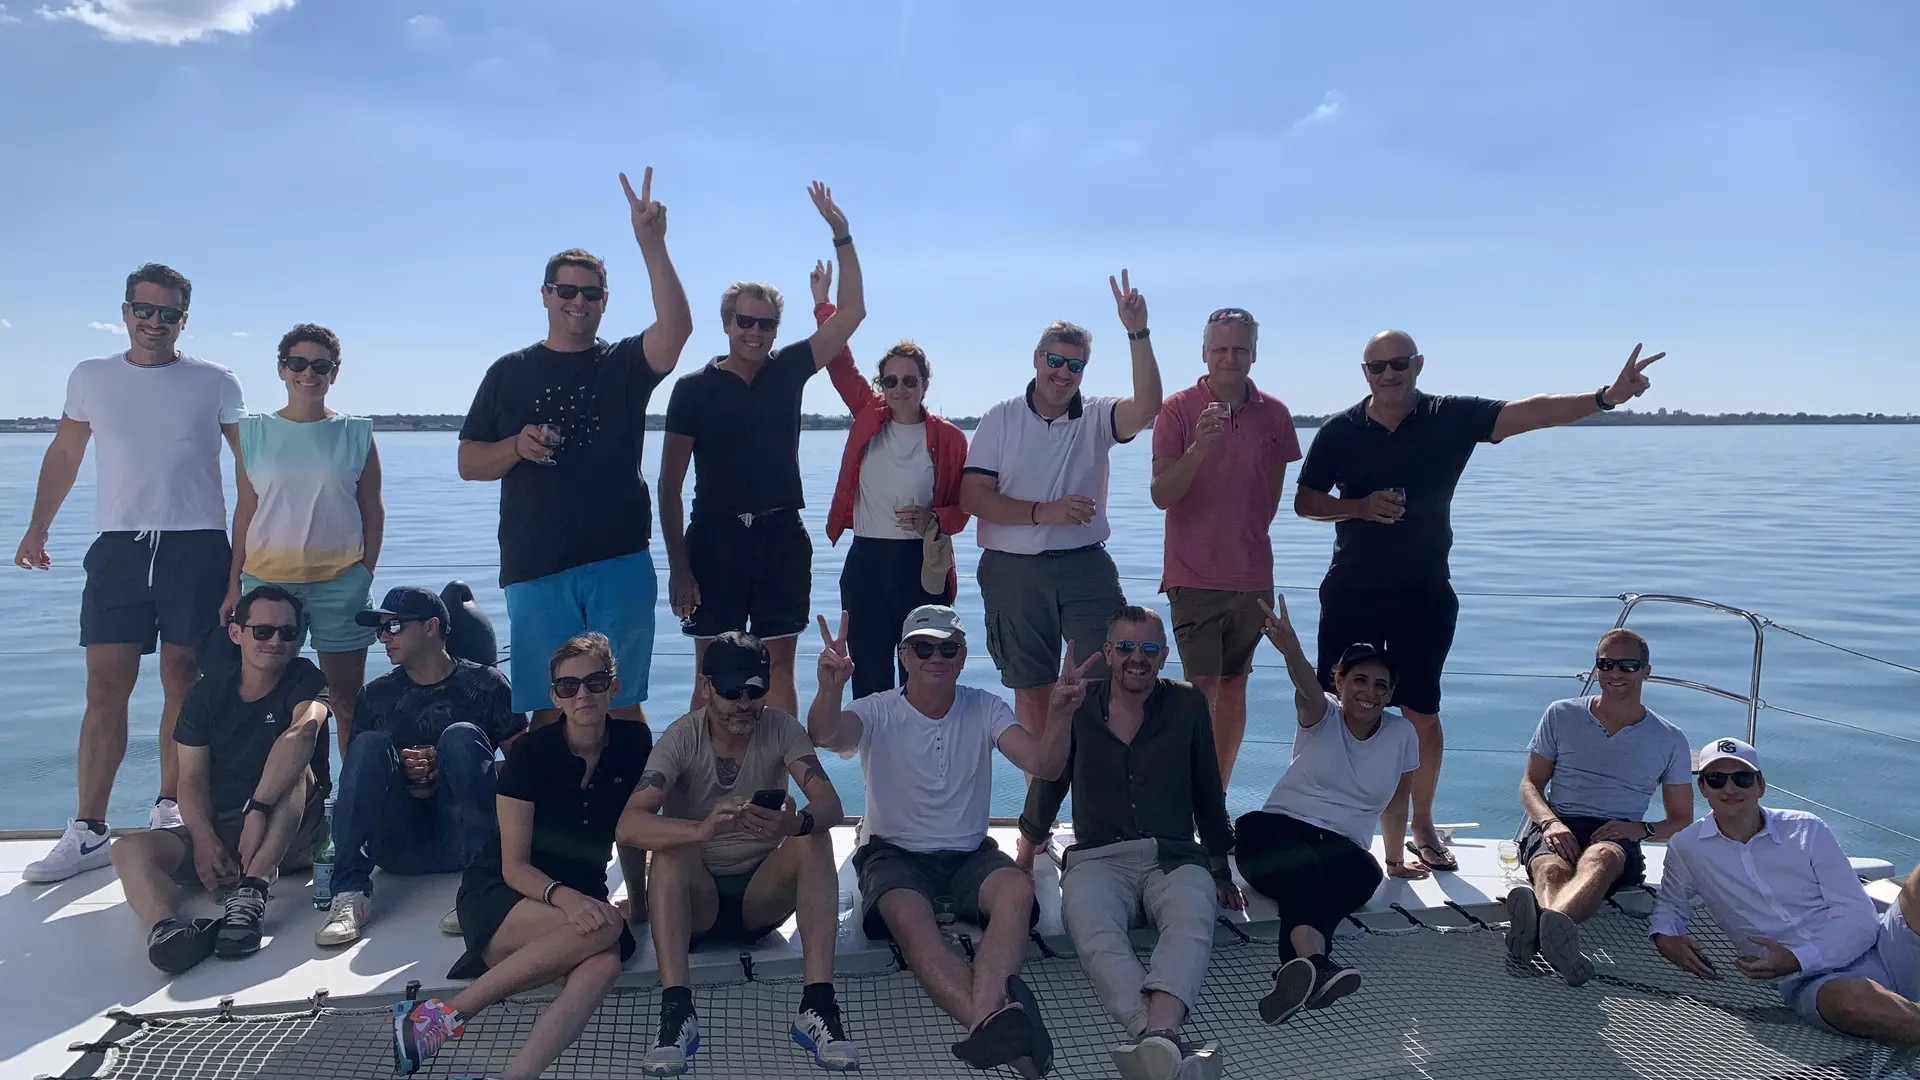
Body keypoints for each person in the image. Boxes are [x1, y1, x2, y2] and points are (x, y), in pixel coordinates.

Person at [1294, 332, 1666, 873]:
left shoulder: (1450, 416)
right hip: (1352, 589)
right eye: (1377, 366)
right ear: (1364, 371)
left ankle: (1421, 824)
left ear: (1418, 365)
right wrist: (1358, 506)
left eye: (1399, 364)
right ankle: (1321, 816)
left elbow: (1529, 413)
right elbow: (1306, 502)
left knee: (1421, 712)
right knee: (1333, 708)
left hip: (1424, 592)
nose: (1388, 374)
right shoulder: (1340, 430)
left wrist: (1605, 397)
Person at [17, 263, 245, 883]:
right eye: (143, 310)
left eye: (167, 313)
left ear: (183, 320)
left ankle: (170, 808)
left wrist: (242, 568)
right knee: (105, 686)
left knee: (182, 676)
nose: (154, 322)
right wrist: (38, 528)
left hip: (196, 545)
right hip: (119, 547)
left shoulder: (216, 382)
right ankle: (88, 829)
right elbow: (65, 452)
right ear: (125, 311)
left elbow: (251, 475)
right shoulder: (91, 377)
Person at [458, 168, 691, 728]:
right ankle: (551, 816)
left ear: (605, 301)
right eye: (567, 290)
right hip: (536, 563)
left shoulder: (625, 365)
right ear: (546, 295)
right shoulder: (508, 372)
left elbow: (677, 328)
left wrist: (651, 245)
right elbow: (469, 463)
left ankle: (630, 816)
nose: (578, 302)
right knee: (547, 707)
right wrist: (515, 445)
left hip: (619, 558)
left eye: (590, 293)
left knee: (622, 701)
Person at [808, 605, 1081, 1077]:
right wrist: (830, 687)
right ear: (904, 657)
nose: (936, 656)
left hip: (970, 854)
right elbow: (825, 733)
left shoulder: (985, 706)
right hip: (892, 853)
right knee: (910, 918)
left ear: (961, 657)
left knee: (1017, 890)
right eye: (923, 647)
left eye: (947, 648)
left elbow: (1045, 764)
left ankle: (990, 1029)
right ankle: (1006, 1036)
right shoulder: (874, 709)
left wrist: (1058, 715)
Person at [959, 271, 1164, 870]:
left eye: (1075, 364)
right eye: (1055, 360)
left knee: (1109, 685)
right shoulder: (999, 418)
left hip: (1084, 569)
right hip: (1012, 571)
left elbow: (1147, 407)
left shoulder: (1097, 415)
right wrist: (1042, 512)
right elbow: (974, 497)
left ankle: (1103, 822)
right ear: (1037, 358)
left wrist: (1139, 332)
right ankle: (1034, 828)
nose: (1063, 373)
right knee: (1033, 693)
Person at [393, 634, 655, 1080]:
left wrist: (642, 905)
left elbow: (630, 833)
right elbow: (513, 865)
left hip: (579, 901)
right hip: (504, 894)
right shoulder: (533, 753)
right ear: (555, 696)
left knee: (605, 962)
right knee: (607, 928)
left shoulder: (635, 742)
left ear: (614, 686)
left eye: (594, 682)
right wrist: (567, 899)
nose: (583, 695)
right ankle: (440, 1017)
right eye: (568, 687)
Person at [661, 182, 866, 718]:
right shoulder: (693, 389)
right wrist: (680, 567)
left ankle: (777, 790)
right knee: (713, 676)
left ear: (777, 328)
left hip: (780, 536)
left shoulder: (789, 370)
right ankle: (700, 790)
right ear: (727, 323)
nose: (755, 332)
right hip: (713, 539)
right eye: (745, 322)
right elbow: (668, 485)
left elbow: (852, 313)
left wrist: (842, 236)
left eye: (766, 323)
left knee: (778, 671)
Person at [1019, 606, 1243, 1080]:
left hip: (1173, 856)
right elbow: (1050, 780)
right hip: (1098, 859)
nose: (1135, 659)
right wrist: (1028, 847)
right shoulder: (1080, 705)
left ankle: (1154, 1044)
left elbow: (1208, 786)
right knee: (1091, 929)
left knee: (1192, 920)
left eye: (1147, 649)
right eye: (1124, 648)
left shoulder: (1187, 705)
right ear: (1107, 654)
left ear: (1163, 657)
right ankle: (1162, 1041)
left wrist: (1220, 865)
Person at [618, 631, 857, 1075]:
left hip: (760, 899)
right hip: (697, 903)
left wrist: (795, 823)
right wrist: (700, 828)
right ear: (706, 687)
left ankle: (818, 1006)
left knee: (816, 837)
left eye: (755, 690)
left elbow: (831, 806)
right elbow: (629, 825)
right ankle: (677, 1013)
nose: (744, 703)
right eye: (731, 692)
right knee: (669, 848)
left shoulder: (782, 729)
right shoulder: (680, 738)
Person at [107, 585, 330, 973]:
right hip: (224, 829)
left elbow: (303, 732)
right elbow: (189, 779)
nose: (276, 641)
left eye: (288, 632)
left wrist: (258, 810)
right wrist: (206, 841)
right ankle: (167, 932)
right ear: (236, 633)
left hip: (290, 830)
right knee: (127, 850)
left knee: (296, 767)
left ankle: (253, 890)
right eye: (263, 631)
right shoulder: (206, 693)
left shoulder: (306, 678)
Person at [1650, 738, 1920, 1048]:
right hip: (1814, 981)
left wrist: (1797, 957)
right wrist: (1664, 936)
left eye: (1742, 778)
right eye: (1716, 779)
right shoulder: (1687, 847)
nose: (1730, 788)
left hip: (1882, 946)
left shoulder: (1807, 829)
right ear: (1703, 788)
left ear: (1760, 786)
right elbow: (1671, 903)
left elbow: (1859, 917)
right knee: (1854, 1001)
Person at [1233, 597, 1422, 1026]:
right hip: (1275, 832)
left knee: (1356, 876)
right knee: (1306, 873)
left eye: (1380, 685)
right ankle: (1318, 965)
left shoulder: (1402, 733)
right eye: (1359, 679)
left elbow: (1397, 801)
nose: (1369, 692)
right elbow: (1304, 686)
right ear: (1338, 681)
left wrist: (1393, 861)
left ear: (1391, 693)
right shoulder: (1321, 716)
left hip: (1343, 849)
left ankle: (1303, 972)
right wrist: (1291, 649)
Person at [315, 586, 527, 947]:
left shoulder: (487, 685)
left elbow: (525, 767)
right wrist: (405, 774)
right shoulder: (375, 695)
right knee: (367, 745)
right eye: (380, 629)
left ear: (431, 627)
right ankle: (349, 893)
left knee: (461, 737)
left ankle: (481, 892)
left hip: (465, 842)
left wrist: (455, 768)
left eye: (393, 626)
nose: (383, 637)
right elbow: (361, 775)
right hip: (397, 848)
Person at [1149, 307, 1300, 788]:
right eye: (1220, 349)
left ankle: (1215, 799)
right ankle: (1184, 797)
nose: (1229, 358)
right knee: (1199, 692)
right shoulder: (1176, 409)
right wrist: (1199, 450)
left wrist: (1246, 540)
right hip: (1193, 576)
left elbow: (1270, 497)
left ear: (1254, 353)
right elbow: (1161, 495)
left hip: (1251, 577)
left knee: (1234, 691)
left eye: (1239, 348)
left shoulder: (1275, 414)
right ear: (1204, 354)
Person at [814, 258, 971, 699]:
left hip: (921, 567)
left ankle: (927, 762)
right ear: (880, 385)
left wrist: (934, 518)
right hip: (866, 562)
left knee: (926, 677)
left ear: (925, 383)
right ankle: (875, 766)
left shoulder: (951, 438)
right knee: (868, 679)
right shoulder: (869, 418)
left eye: (909, 380)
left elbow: (966, 506)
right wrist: (823, 304)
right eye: (890, 380)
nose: (900, 388)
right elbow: (839, 364)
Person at [225, 322, 382, 759]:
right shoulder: (251, 433)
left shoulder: (356, 433)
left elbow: (372, 509)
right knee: (266, 703)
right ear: (281, 369)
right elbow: (244, 511)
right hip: (265, 586)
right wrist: (232, 586)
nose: (308, 373)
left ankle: (352, 803)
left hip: (340, 585)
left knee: (349, 701)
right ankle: (267, 802)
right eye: (297, 363)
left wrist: (363, 573)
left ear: (335, 372)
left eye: (320, 365)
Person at [1505, 628, 1694, 985]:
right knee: (1549, 867)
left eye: (1627, 665)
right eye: (1605, 664)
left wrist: (1640, 830)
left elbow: (1682, 819)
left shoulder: (1669, 738)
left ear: (1645, 671)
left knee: (1602, 859)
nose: (1615, 673)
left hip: (1617, 831)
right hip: (1558, 820)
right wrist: (1549, 824)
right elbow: (1530, 785)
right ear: (1596, 668)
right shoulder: (1560, 714)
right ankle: (1555, 935)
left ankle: (1538, 930)